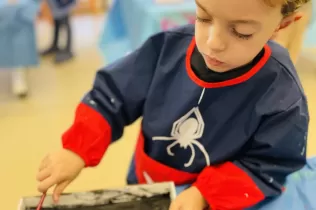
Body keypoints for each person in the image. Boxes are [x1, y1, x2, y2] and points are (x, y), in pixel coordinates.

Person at [36, 0, 310, 209]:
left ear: (281, 25)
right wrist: (77, 148)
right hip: (148, 180)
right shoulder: (167, 49)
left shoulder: (283, 96)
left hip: (217, 197)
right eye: (203, 16)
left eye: (241, 32)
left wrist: (204, 193)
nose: (213, 43)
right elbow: (113, 95)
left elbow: (269, 165)